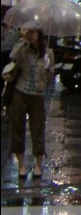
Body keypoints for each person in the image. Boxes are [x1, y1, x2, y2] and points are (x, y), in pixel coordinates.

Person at [8, 20, 55, 180]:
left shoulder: (47, 53)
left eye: (34, 32)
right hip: (20, 93)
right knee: (18, 129)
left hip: (37, 96)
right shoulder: (24, 49)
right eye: (29, 32)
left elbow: (50, 76)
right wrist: (23, 40)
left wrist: (49, 70)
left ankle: (38, 165)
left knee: (37, 130)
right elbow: (13, 56)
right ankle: (21, 165)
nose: (31, 35)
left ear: (40, 34)